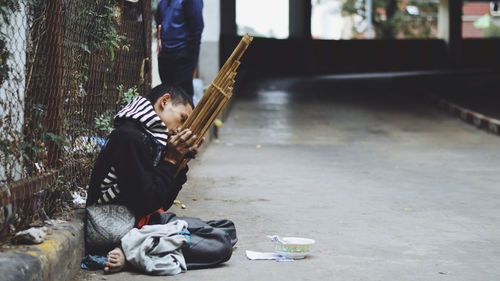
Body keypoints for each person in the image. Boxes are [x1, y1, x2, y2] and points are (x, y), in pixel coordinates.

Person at [85, 84, 236, 274]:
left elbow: (162, 203)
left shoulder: (151, 138)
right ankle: (132, 254)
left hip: (147, 221)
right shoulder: (130, 137)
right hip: (123, 229)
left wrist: (180, 162)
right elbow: (148, 203)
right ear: (164, 102)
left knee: (226, 229)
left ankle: (143, 249)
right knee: (220, 244)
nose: (180, 129)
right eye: (182, 119)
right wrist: (171, 159)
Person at [155, 0, 204, 97]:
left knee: (182, 95)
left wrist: (189, 53)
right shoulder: (163, 2)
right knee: (167, 93)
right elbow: (159, 21)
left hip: (183, 53)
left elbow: (197, 27)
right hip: (166, 54)